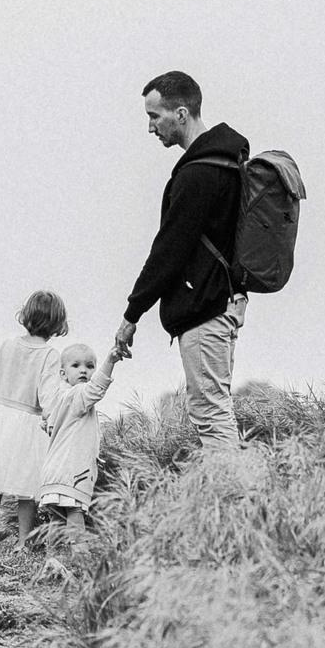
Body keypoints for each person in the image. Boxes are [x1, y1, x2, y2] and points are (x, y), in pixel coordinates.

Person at [112, 70, 250, 456]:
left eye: (155, 116)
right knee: (214, 409)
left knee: (210, 413)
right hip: (221, 301)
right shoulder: (228, 162)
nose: (151, 127)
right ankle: (239, 500)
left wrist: (132, 313)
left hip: (205, 309)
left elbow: (168, 251)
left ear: (182, 113)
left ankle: (238, 501)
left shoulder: (199, 174)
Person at [0, 290, 68, 545]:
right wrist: (55, 420)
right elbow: (48, 394)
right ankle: (21, 543)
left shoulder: (6, 345)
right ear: (57, 323)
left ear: (26, 315)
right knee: (27, 489)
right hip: (29, 422)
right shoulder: (50, 356)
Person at [35, 342, 117, 529]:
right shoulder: (77, 395)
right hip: (73, 470)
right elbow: (96, 389)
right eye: (76, 365)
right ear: (63, 374)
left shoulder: (58, 400)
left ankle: (52, 556)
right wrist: (110, 362)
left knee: (56, 518)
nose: (84, 371)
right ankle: (79, 555)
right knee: (75, 513)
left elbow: (49, 425)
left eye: (90, 366)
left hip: (54, 470)